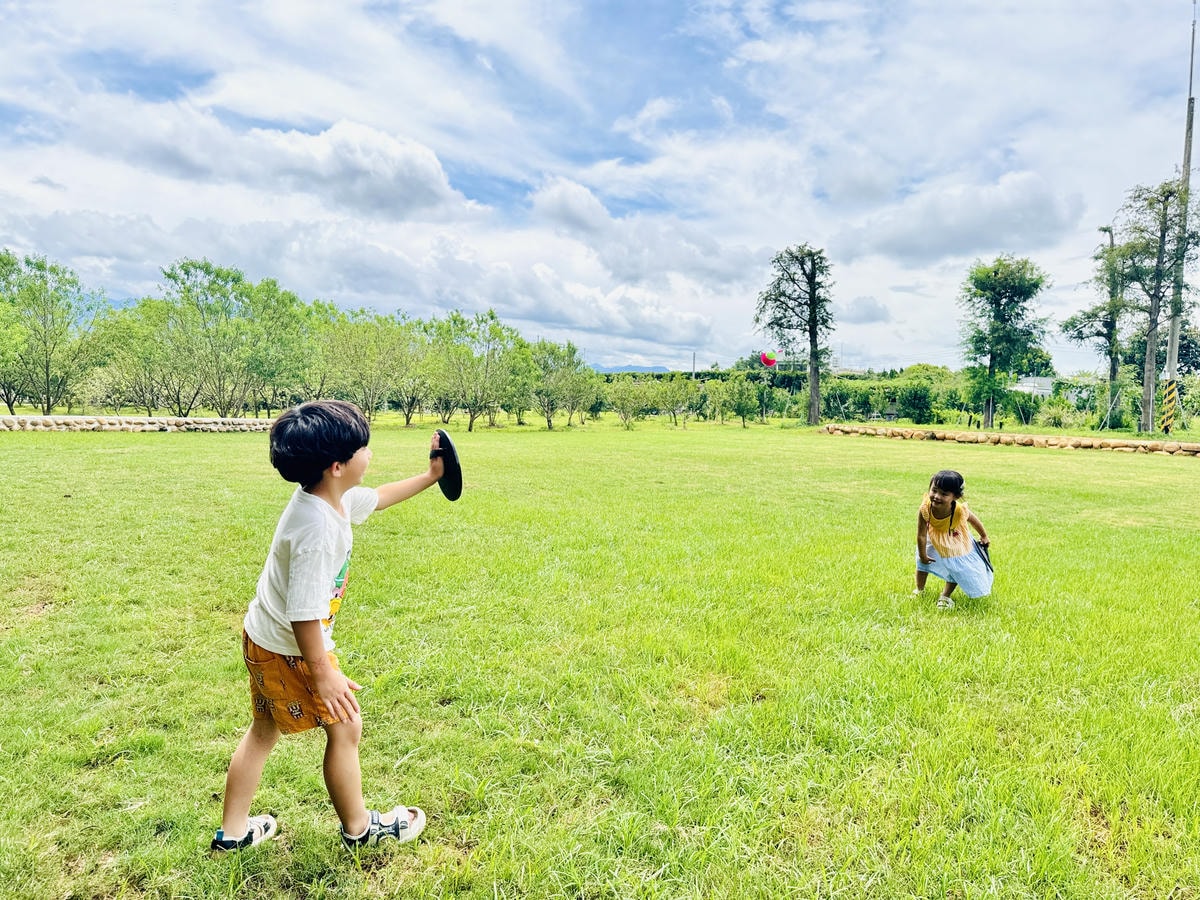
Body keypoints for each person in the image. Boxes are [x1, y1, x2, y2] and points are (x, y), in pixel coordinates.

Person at [212, 399, 446, 853]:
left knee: (263, 730)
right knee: (345, 726)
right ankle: (359, 829)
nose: (370, 455)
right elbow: (304, 611)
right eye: (364, 448)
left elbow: (377, 498)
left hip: (264, 636)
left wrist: (432, 477)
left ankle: (233, 833)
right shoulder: (316, 528)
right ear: (338, 465)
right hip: (292, 646)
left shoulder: (326, 497)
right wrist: (322, 671)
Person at [913, 469, 992, 610]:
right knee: (922, 562)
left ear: (955, 496)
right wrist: (923, 554)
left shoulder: (959, 510)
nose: (937, 496)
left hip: (953, 537)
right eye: (934, 490)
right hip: (934, 536)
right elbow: (921, 535)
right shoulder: (925, 508)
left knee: (955, 566)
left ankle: (945, 596)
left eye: (944, 494)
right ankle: (919, 590)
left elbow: (974, 521)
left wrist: (984, 535)